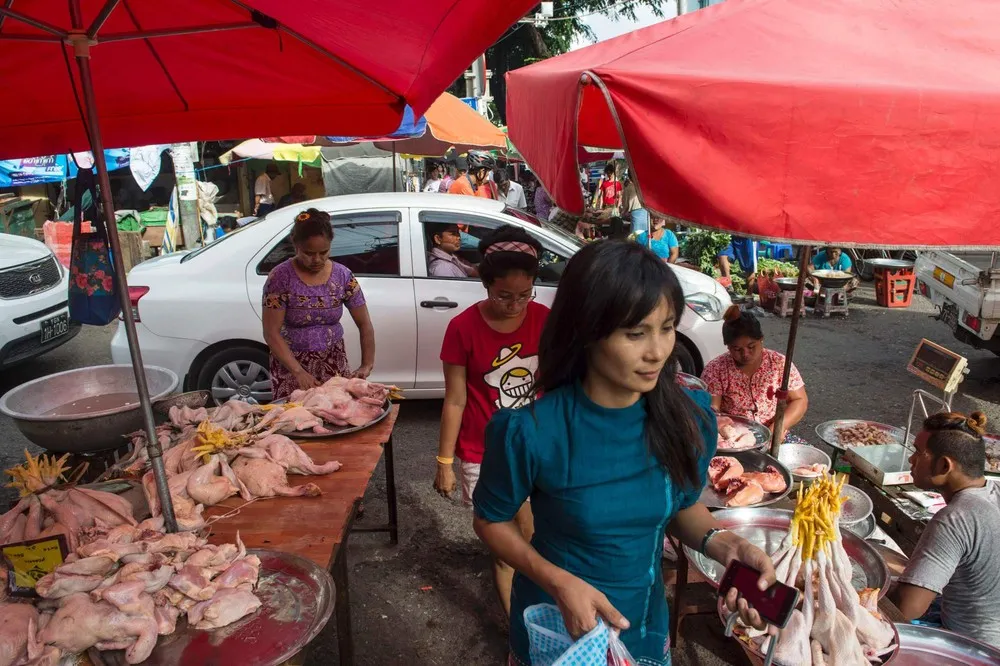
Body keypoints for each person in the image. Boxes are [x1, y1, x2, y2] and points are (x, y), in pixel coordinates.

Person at [472, 240, 776, 665]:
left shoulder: (685, 420)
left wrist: (723, 545)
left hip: (642, 622)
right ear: (587, 330)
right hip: (558, 619)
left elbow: (680, 507)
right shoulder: (530, 431)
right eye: (636, 333)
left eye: (667, 327)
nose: (657, 351)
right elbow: (491, 519)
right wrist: (557, 581)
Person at [433, 225, 549, 618]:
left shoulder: (544, 320)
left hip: (536, 448)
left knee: (533, 537)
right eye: (504, 296)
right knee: (506, 551)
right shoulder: (462, 328)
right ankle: (519, 632)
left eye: (524, 295)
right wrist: (444, 462)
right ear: (484, 284)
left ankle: (539, 615)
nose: (515, 305)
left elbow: (555, 386)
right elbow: (455, 400)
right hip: (482, 454)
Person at [890, 411, 1000, 648]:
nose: (912, 460)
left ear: (943, 465)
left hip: (974, 647)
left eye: (918, 452)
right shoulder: (994, 492)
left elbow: (905, 609)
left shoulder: (955, 518)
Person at [262, 209, 376, 400]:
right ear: (295, 244)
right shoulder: (280, 278)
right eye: (309, 253)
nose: (317, 260)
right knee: (297, 421)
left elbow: (364, 324)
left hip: (334, 363)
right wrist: (298, 372)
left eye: (323, 252)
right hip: (291, 366)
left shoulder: (343, 276)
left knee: (336, 416)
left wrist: (367, 364)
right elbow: (271, 332)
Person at [701, 306, 808, 442]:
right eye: (737, 349)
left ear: (761, 339)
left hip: (773, 432)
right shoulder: (716, 369)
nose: (745, 354)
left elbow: (799, 400)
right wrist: (718, 422)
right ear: (728, 347)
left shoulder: (779, 364)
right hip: (732, 436)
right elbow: (712, 407)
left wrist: (779, 426)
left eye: (751, 346)